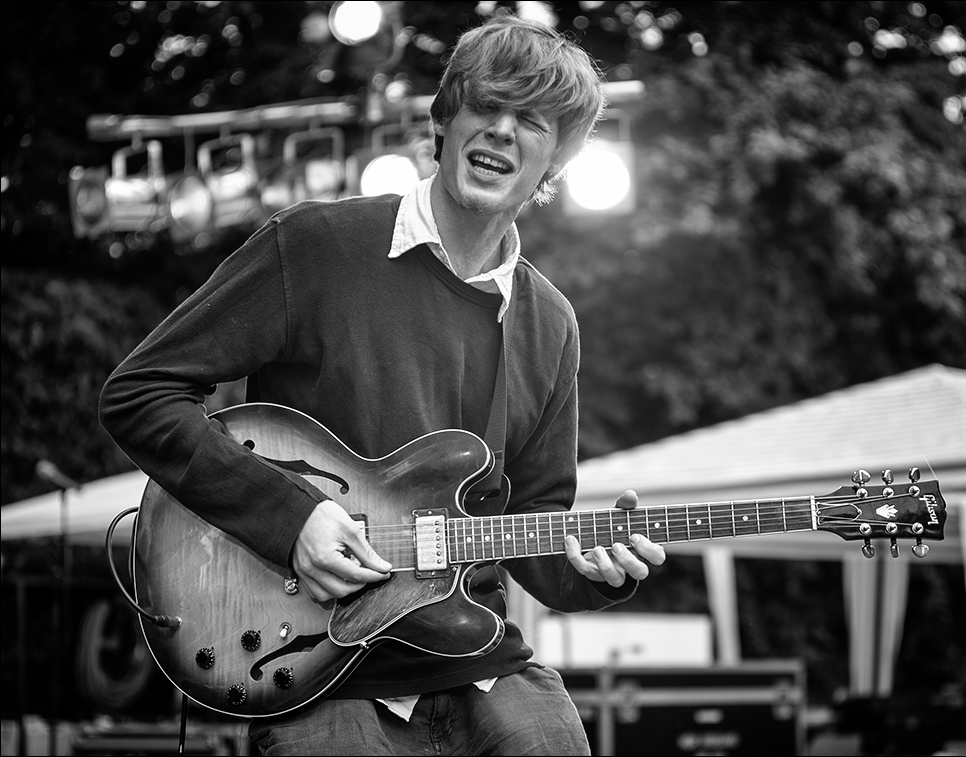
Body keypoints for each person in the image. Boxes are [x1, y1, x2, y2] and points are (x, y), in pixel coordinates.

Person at [99, 13, 666, 757]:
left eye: (531, 121)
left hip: (476, 663)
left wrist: (596, 571)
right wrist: (291, 517)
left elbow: (532, 522)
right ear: (444, 121)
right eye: (485, 107)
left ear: (555, 160)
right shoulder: (315, 248)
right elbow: (139, 392)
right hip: (309, 662)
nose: (501, 131)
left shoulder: (550, 324)